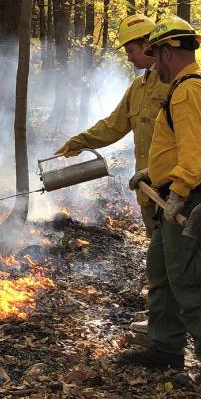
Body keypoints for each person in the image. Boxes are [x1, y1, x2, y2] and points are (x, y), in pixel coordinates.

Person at [124, 15, 201, 387]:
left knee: (191, 282)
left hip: (189, 201)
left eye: (155, 53)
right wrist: (154, 174)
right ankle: (165, 348)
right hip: (175, 194)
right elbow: (185, 148)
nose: (153, 62)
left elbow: (195, 155)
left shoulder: (189, 90)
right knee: (161, 273)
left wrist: (176, 193)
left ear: (166, 52)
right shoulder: (184, 88)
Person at [56, 14, 169, 237]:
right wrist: (80, 141)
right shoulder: (138, 87)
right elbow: (113, 125)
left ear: (147, 46)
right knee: (158, 258)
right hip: (147, 192)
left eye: (130, 51)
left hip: (174, 192)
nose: (128, 58)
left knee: (179, 261)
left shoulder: (176, 84)